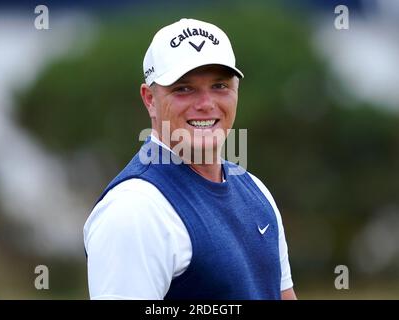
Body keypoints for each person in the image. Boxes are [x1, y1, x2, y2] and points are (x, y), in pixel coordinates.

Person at [83, 18, 296, 300]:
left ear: (236, 91)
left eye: (220, 85)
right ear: (150, 99)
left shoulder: (256, 192)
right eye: (184, 88)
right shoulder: (134, 210)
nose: (206, 103)